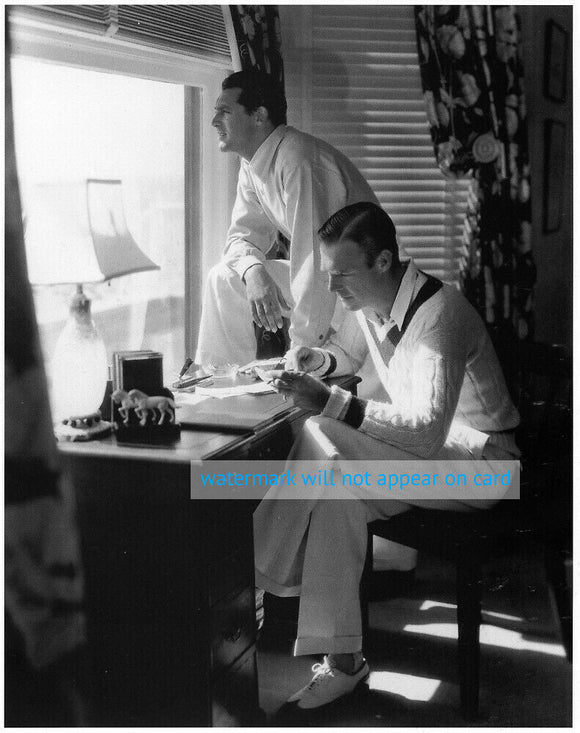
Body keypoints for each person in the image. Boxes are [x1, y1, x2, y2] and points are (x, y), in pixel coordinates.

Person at [253, 201, 520, 710]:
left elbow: (422, 433)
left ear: (382, 261)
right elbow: (354, 355)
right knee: (338, 495)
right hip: (437, 459)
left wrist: (330, 398)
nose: (332, 288)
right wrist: (323, 360)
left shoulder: (440, 314)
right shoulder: (373, 298)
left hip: (486, 469)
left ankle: (257, 570)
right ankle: (344, 665)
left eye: (342, 274)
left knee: (321, 426)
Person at [195, 70, 379, 367]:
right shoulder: (253, 163)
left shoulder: (299, 160)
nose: (214, 121)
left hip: (365, 290)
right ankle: (220, 383)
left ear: (259, 116)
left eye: (224, 112)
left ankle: (298, 364)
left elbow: (314, 263)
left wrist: (301, 352)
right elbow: (240, 238)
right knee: (225, 278)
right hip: (328, 283)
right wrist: (254, 272)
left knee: (306, 355)